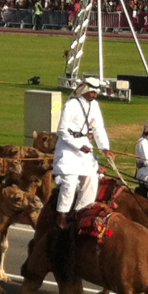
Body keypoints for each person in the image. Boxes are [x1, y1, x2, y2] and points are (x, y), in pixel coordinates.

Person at [53, 77, 114, 229]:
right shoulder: (71, 105)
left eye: (96, 93)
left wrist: (104, 148)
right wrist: (78, 145)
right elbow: (61, 130)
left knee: (92, 181)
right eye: (92, 92)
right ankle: (62, 214)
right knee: (70, 183)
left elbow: (99, 128)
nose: (95, 96)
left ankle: (81, 211)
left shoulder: (95, 106)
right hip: (68, 148)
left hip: (86, 147)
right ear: (85, 90)